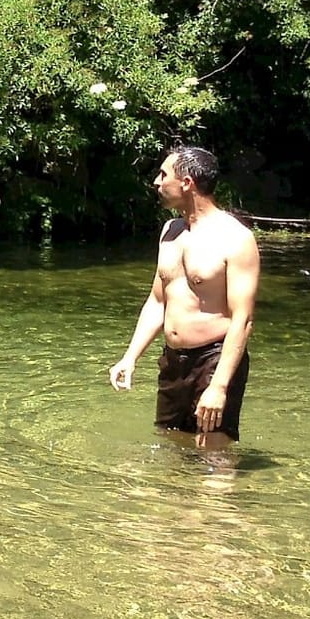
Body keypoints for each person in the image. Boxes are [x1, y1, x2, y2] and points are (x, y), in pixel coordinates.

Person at [109, 146, 259, 446]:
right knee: (172, 445)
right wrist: (130, 356)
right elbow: (158, 301)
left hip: (214, 358)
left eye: (163, 175)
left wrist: (219, 385)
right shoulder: (170, 231)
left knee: (213, 453)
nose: (156, 182)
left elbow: (242, 320)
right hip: (173, 361)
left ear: (187, 183)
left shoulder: (236, 239)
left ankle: (217, 495)